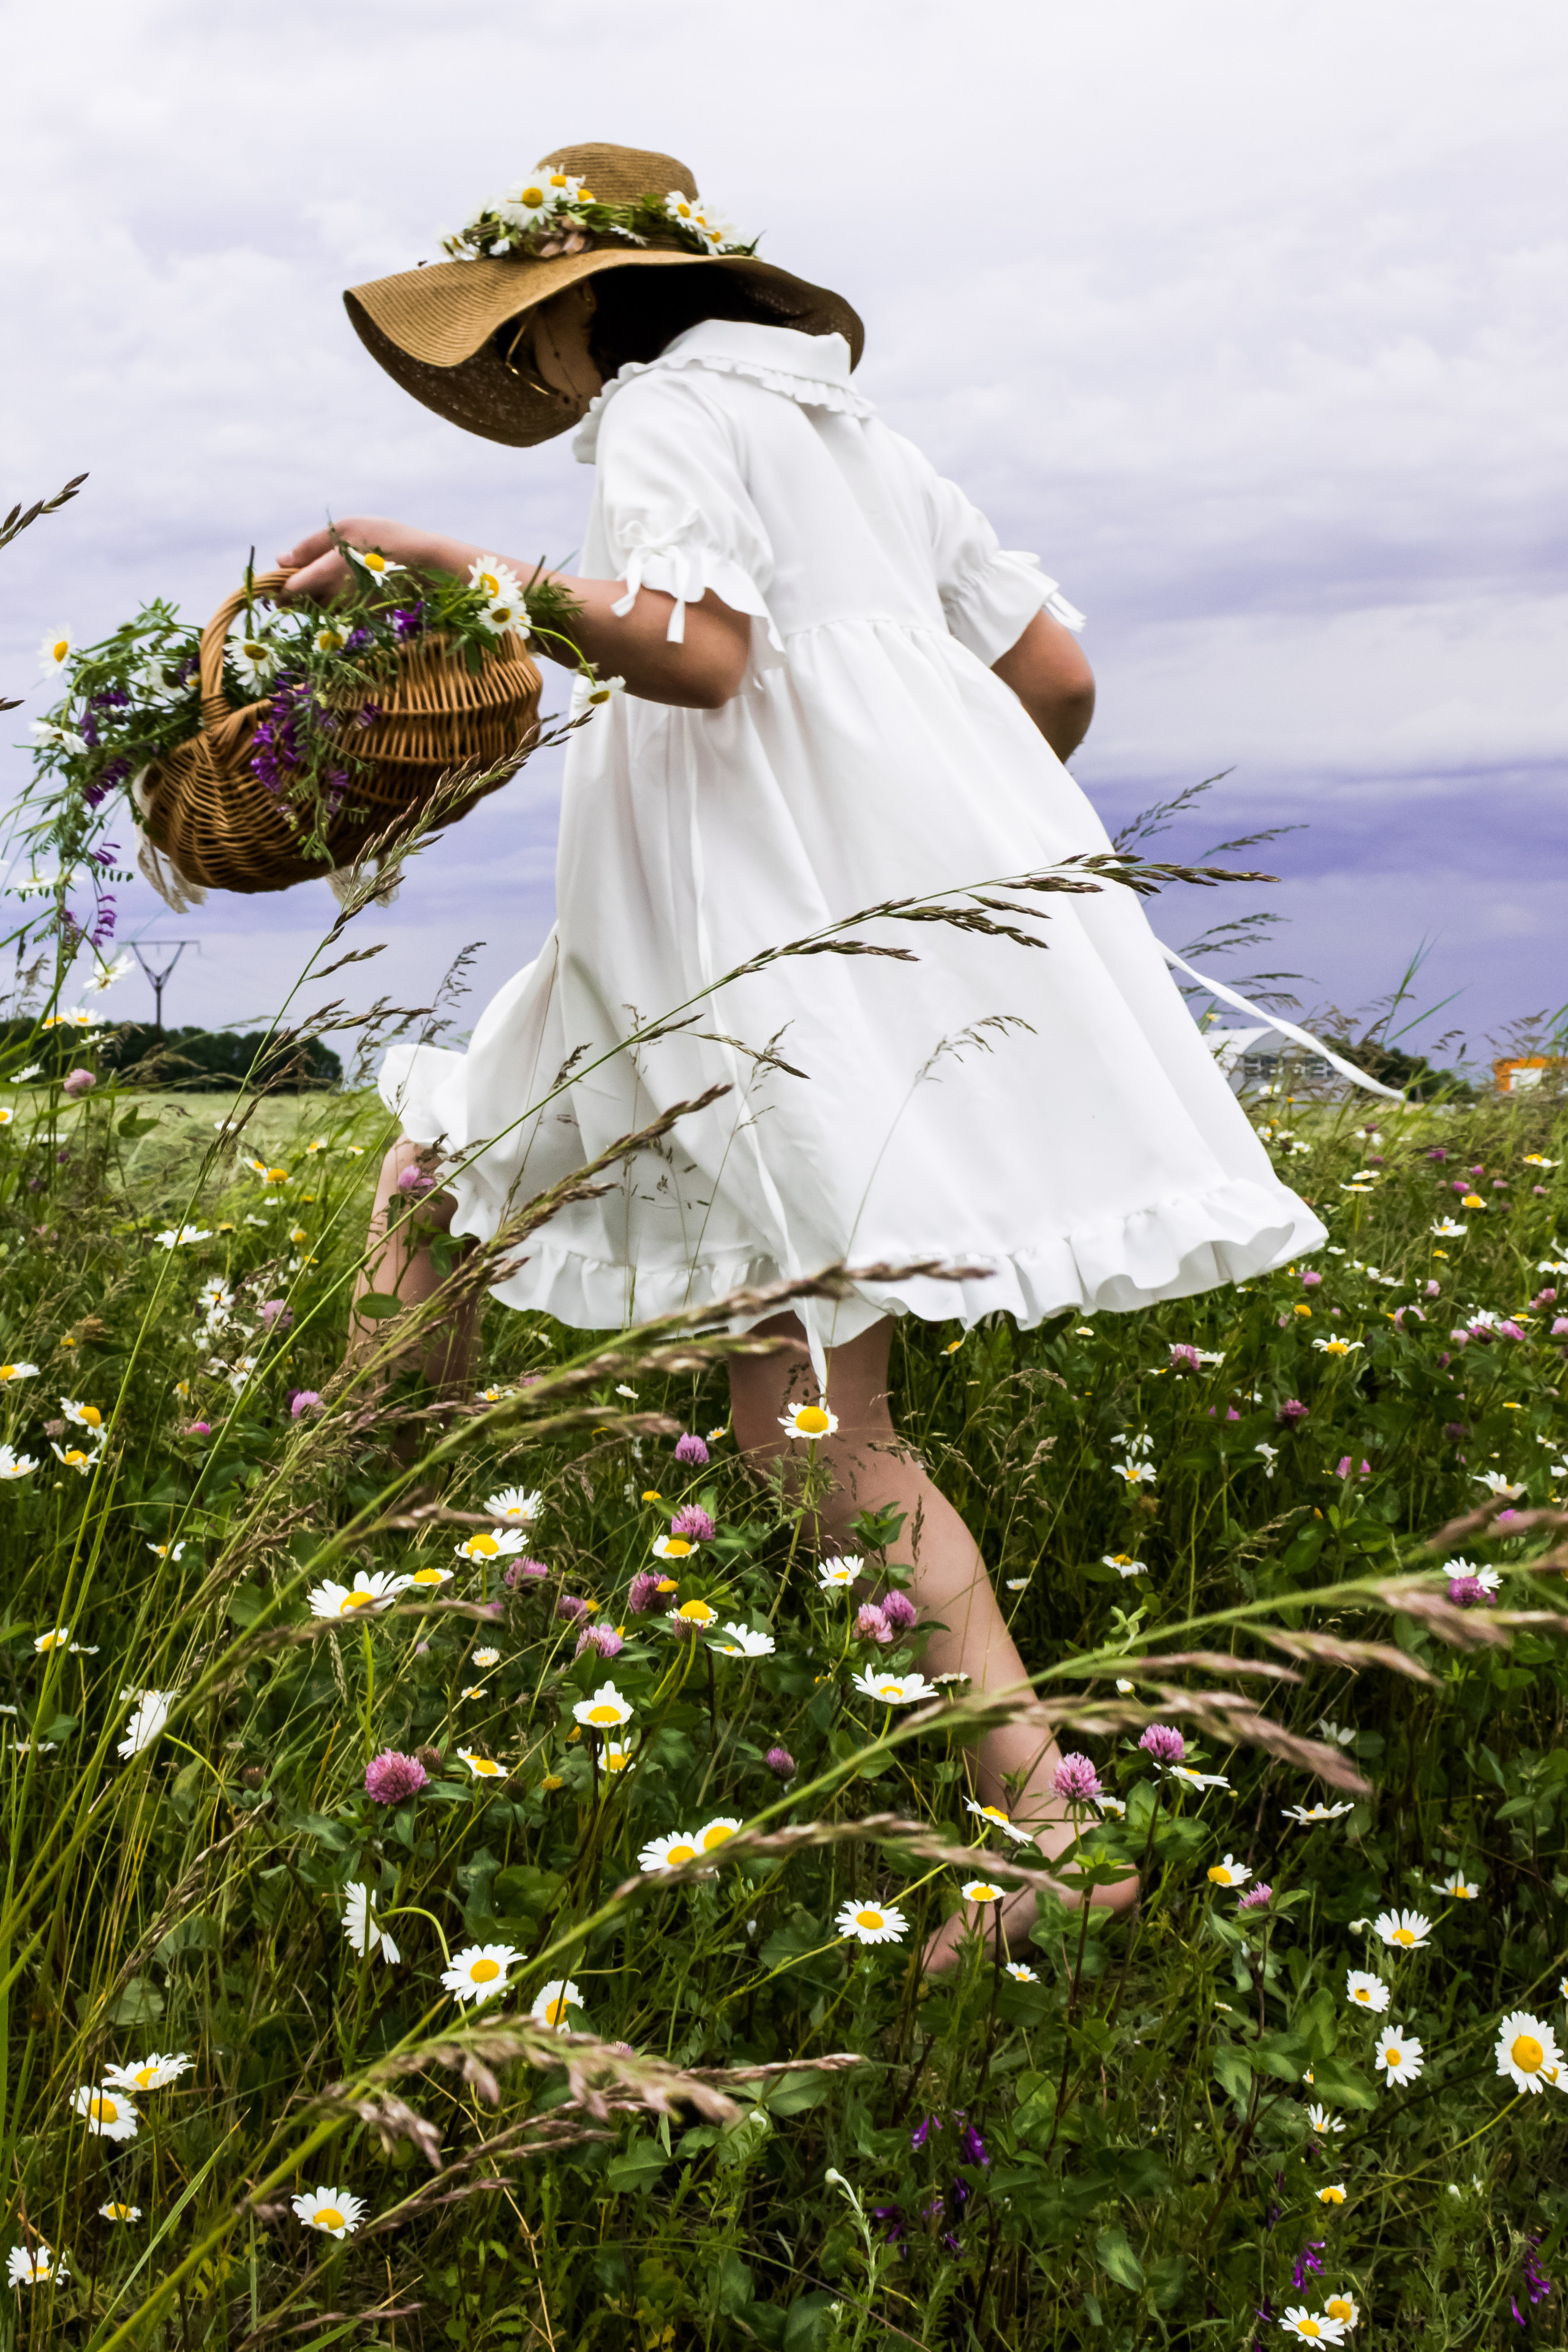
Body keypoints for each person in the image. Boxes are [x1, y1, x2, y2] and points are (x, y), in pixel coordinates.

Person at [280, 143, 1325, 1960]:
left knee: (747, 1388)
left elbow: (697, 658)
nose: (530, 376)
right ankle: (397, 1593)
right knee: (732, 1372)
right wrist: (911, 828)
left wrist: (460, 567)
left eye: (528, 336)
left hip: (714, 949)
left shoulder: (671, 414)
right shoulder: (871, 450)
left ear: (586, 309)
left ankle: (350, 1582)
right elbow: (1059, 684)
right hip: (802, 947)